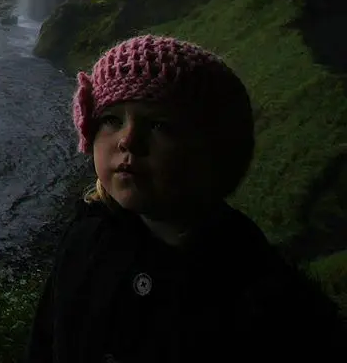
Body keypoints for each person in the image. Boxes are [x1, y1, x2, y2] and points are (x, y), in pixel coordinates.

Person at [26, 34, 346, 362]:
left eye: (159, 125)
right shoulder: (84, 235)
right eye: (111, 119)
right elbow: (45, 342)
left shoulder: (261, 293)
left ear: (214, 151)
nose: (128, 140)